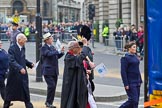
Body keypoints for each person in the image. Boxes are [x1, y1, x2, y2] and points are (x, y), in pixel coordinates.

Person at [61, 39, 95, 108]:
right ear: (73, 49)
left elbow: (78, 67)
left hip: (77, 85)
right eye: (78, 47)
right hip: (71, 86)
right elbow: (79, 60)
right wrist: (84, 46)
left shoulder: (73, 56)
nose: (80, 49)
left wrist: (85, 72)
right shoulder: (69, 57)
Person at [3, 33, 34, 108]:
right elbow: (12, 61)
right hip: (14, 76)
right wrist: (20, 68)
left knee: (26, 94)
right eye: (24, 38)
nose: (26, 40)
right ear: (19, 40)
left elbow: (22, 59)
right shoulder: (12, 48)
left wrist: (29, 64)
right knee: (9, 96)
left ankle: (29, 105)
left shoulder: (23, 47)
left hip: (23, 75)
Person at [41, 32, 64, 108]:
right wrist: (58, 51)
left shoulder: (52, 47)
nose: (52, 39)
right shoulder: (44, 48)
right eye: (51, 38)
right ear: (47, 40)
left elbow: (56, 56)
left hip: (54, 70)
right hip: (47, 71)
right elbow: (49, 54)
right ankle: (48, 102)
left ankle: (49, 102)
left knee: (53, 87)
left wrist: (61, 52)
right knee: (52, 86)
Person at [119, 42, 142, 108]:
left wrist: (140, 80)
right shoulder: (125, 58)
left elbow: (136, 69)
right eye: (134, 47)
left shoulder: (135, 56)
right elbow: (123, 72)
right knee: (133, 100)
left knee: (136, 101)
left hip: (137, 81)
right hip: (130, 82)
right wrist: (126, 84)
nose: (135, 49)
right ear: (129, 49)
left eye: (135, 47)